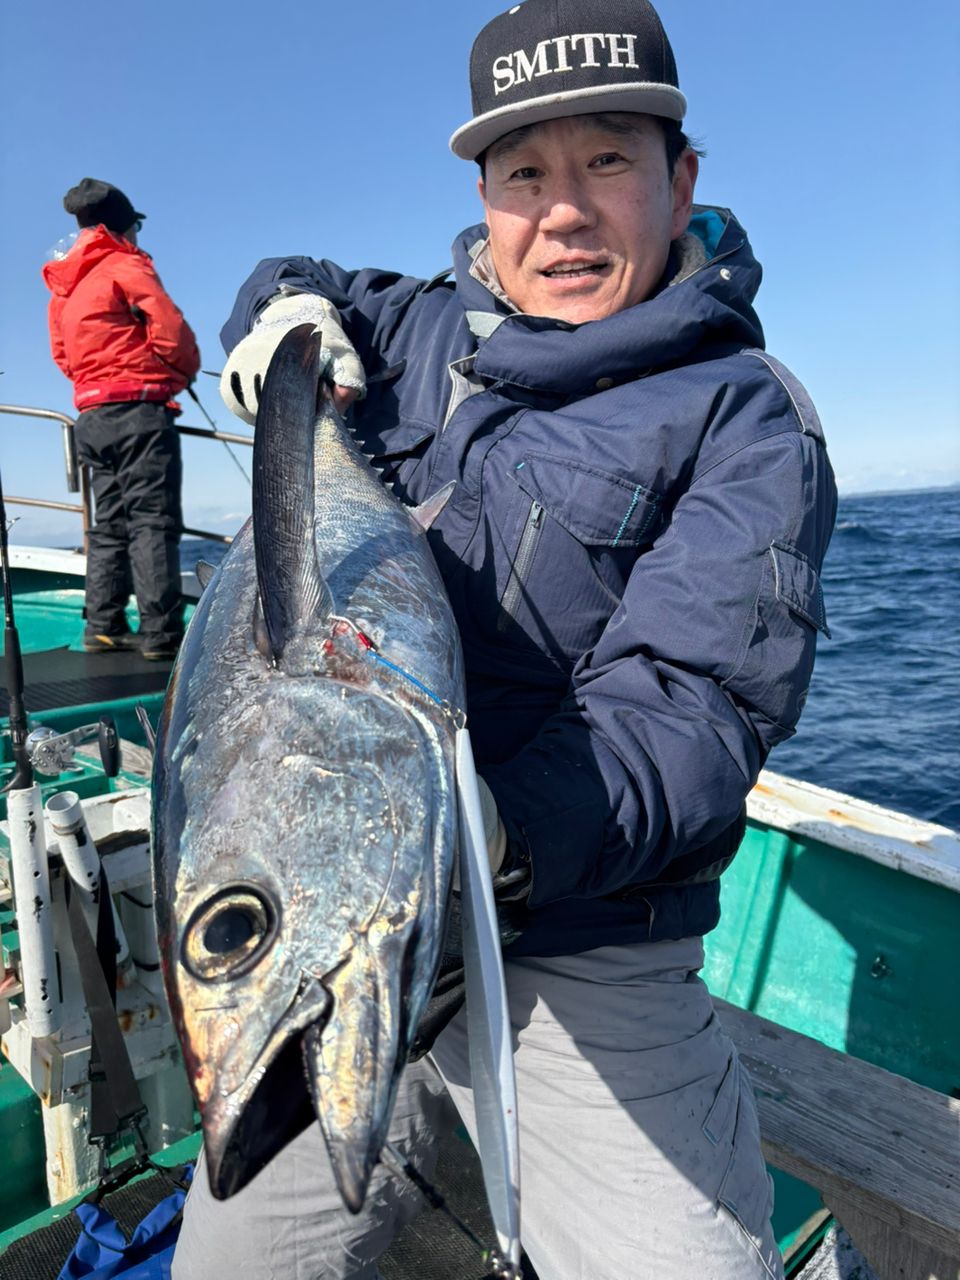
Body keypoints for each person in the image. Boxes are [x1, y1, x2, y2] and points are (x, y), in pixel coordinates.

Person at [174, 1, 836, 1276]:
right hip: (339, 924)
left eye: (607, 161)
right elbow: (289, 274)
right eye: (525, 173)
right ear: (485, 199)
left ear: (679, 178)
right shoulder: (419, 325)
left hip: (582, 955)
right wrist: (287, 322)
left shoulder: (746, 420)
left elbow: (691, 711)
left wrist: (490, 839)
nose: (566, 210)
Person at [42, 178, 200, 661]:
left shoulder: (64, 284)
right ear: (123, 226)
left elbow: (62, 355)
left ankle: (103, 627)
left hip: (91, 415)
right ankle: (161, 636)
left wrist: (97, 384)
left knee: (108, 524)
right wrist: (176, 374)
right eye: (135, 225)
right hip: (140, 413)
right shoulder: (126, 265)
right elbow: (172, 334)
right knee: (152, 522)